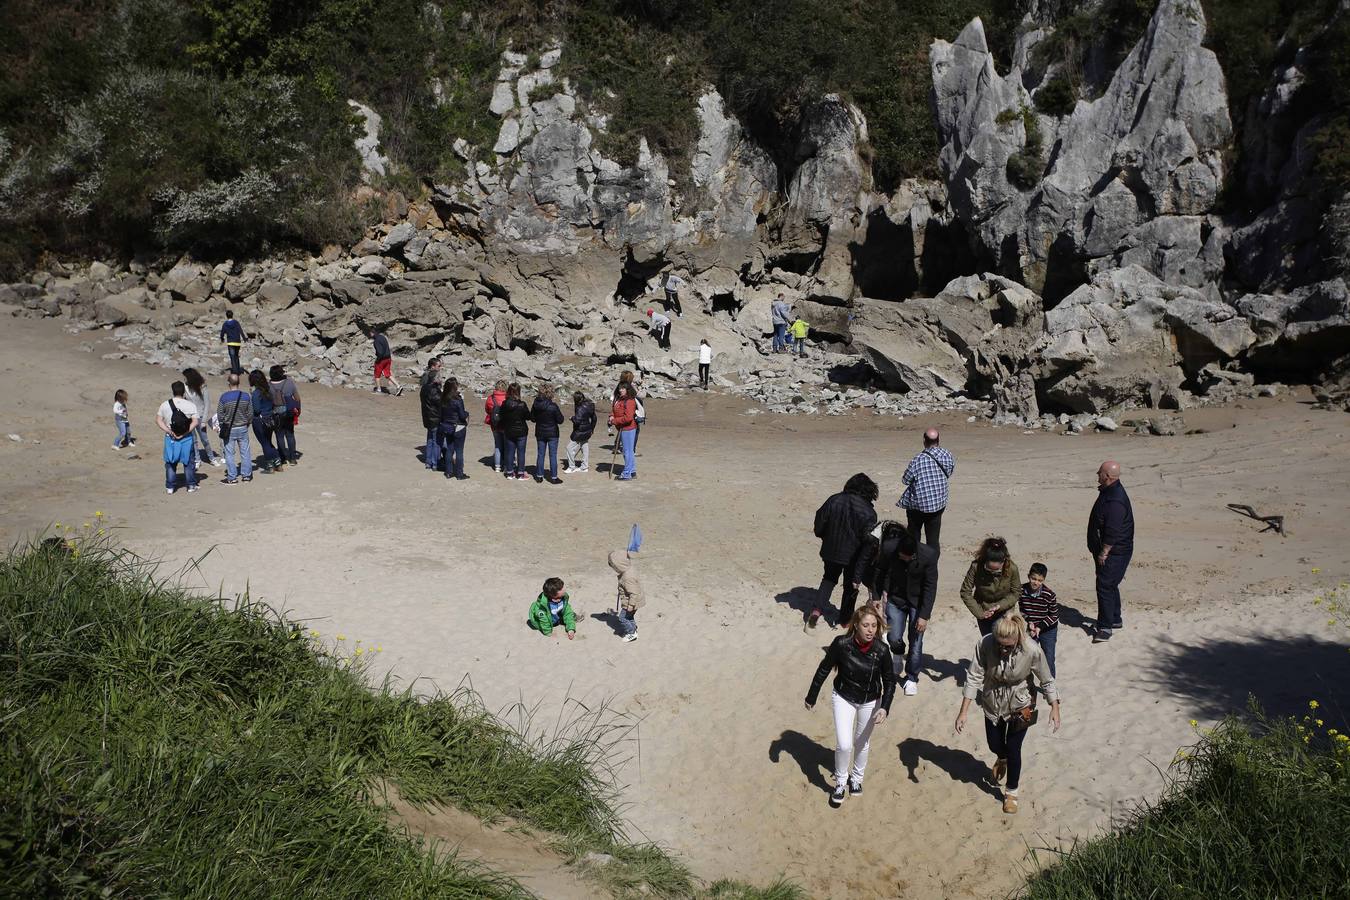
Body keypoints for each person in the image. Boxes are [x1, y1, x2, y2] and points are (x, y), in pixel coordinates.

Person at [954, 612, 1061, 814]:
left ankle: (1011, 791)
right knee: (994, 744)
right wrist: (963, 712)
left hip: (1021, 704)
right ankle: (1000, 757)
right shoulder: (985, 644)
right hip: (992, 702)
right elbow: (974, 676)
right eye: (1000, 644)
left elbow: (1046, 679)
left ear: (1018, 639)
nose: (1003, 649)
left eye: (1008, 646)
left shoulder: (1031, 650)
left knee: (1014, 749)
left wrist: (1055, 707)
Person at [804, 606, 896, 807]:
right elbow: (824, 670)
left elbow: (890, 681)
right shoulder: (841, 644)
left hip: (870, 701)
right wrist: (811, 696)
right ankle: (840, 782)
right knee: (845, 744)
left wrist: (885, 707)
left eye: (874, 625)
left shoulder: (881, 650)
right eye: (866, 625)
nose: (870, 630)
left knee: (861, 743)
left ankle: (856, 780)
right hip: (844, 696)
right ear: (856, 625)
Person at [876, 528, 939, 696]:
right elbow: (880, 571)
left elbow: (930, 587)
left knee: (916, 643)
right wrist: (878, 595)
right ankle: (897, 654)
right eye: (901, 556)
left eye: (908, 557)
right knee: (893, 637)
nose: (904, 559)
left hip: (917, 604)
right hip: (895, 599)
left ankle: (911, 677)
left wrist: (924, 616)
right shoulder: (889, 548)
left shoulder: (929, 555)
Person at [811, 473, 879, 628]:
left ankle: (816, 611)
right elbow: (868, 541)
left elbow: (820, 520)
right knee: (850, 586)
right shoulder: (869, 512)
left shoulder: (834, 499)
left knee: (828, 578)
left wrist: (823, 536)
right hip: (853, 556)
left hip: (831, 550)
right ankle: (845, 621)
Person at [1088, 459, 1134, 643]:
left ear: (1107, 476)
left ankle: (1105, 627)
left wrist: (1103, 552)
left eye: (1099, 472)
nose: (1097, 474)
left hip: (1115, 552)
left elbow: (1113, 531)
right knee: (1110, 584)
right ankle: (1115, 619)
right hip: (1113, 550)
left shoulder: (1115, 500)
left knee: (1105, 586)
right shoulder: (1110, 491)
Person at [896, 428, 955, 555]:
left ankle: (913, 560)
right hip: (938, 503)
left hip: (918, 506)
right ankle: (932, 565)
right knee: (933, 540)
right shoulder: (947, 454)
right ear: (938, 440)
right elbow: (949, 472)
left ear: (924, 441)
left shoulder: (918, 459)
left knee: (913, 537)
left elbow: (905, 480)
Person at [960, 537, 1021, 636]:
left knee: (1003, 641)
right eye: (989, 569)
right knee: (988, 641)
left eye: (996, 570)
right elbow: (965, 592)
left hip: (1004, 611)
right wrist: (980, 613)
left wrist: (999, 606)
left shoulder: (1012, 569)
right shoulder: (976, 566)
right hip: (983, 610)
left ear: (1003, 561)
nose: (992, 572)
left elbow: (1016, 593)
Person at [157, 381, 199, 495]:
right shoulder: (190, 405)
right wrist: (185, 432)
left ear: (173, 390)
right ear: (184, 391)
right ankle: (190, 485)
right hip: (186, 438)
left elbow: (159, 420)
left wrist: (169, 431)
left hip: (171, 438)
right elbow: (195, 421)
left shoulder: (165, 404)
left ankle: (170, 487)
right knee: (188, 462)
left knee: (170, 462)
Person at [1018, 562, 1059, 679]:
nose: (1036, 582)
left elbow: (1054, 615)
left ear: (1043, 580)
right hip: (1031, 627)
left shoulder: (1049, 594)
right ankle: (1027, 683)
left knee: (1048, 657)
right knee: (1027, 656)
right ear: (1028, 576)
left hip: (1048, 629)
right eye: (1033, 578)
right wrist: (1029, 621)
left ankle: (1050, 685)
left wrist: (1040, 626)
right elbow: (1021, 610)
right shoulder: (1021, 590)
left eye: (1040, 580)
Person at [216, 372, 254, 485]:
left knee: (229, 453)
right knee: (245, 452)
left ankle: (232, 477)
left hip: (229, 428)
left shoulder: (224, 397)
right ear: (239, 382)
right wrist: (248, 422)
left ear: (229, 383)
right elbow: (250, 413)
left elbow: (220, 414)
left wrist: (223, 424)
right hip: (243, 427)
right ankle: (246, 475)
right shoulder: (246, 396)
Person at [182, 368, 223, 467]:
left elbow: (207, 404)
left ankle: (211, 458)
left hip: (200, 417)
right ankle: (197, 459)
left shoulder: (202, 387)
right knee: (193, 439)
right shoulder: (185, 387)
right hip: (189, 417)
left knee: (204, 439)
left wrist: (204, 420)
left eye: (186, 377)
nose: (184, 379)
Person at [608, 539, 644, 643]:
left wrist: (631, 605)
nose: (614, 569)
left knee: (622, 618)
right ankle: (633, 628)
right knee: (630, 616)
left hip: (631, 601)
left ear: (619, 565)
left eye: (615, 567)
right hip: (633, 600)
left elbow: (633, 592)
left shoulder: (628, 577)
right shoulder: (628, 570)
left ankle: (631, 633)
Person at [493, 382, 530, 481]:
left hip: (509, 430)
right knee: (521, 453)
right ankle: (521, 473)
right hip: (521, 431)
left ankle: (509, 473)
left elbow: (501, 416)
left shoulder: (505, 404)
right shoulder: (522, 404)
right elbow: (528, 416)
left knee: (509, 452)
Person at [248, 370, 281, 473]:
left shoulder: (256, 393)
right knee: (269, 441)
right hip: (270, 418)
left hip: (260, 421)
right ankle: (278, 463)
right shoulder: (268, 390)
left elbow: (257, 410)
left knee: (265, 443)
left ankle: (270, 465)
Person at [531, 384, 565, 484]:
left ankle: (539, 476)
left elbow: (532, 419)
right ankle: (554, 477)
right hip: (552, 433)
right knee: (553, 455)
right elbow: (560, 420)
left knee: (540, 454)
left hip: (540, 432)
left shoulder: (536, 404)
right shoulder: (553, 406)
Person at [268, 365, 301, 466]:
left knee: (279, 436)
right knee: (290, 435)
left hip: (276, 413)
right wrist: (298, 410)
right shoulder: (289, 382)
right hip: (289, 412)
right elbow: (297, 398)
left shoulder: (268, 385)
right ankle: (292, 458)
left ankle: (282, 458)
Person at [438, 377, 469, 480]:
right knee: (459, 451)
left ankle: (448, 472)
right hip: (458, 426)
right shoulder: (457, 400)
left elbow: (441, 415)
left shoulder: (443, 398)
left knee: (450, 450)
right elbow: (462, 415)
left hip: (447, 426)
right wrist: (467, 413)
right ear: (455, 387)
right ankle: (459, 474)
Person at [610, 383, 638, 481]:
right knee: (628, 451)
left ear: (628, 389)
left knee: (627, 452)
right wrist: (611, 416)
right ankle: (632, 471)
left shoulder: (629, 400)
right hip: (622, 428)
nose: (621, 390)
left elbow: (628, 418)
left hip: (628, 428)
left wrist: (614, 421)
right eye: (620, 388)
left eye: (623, 388)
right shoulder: (619, 399)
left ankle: (627, 474)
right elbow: (614, 409)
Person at [419, 358, 444, 471]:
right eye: (438, 366)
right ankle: (434, 463)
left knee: (430, 440)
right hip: (434, 417)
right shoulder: (433, 389)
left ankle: (429, 462)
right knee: (435, 441)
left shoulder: (424, 388)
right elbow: (439, 402)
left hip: (427, 416)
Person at [564, 391, 596, 474]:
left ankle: (571, 467)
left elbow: (577, 421)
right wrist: (592, 428)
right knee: (584, 446)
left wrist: (572, 418)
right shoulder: (590, 405)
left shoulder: (579, 407)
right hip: (587, 429)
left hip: (580, 431)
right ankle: (584, 466)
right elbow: (594, 418)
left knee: (569, 447)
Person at [484, 380, 508, 473]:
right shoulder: (507, 398)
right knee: (507, 446)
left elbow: (487, 410)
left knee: (497, 445)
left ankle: (497, 466)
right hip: (505, 424)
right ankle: (507, 466)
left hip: (494, 424)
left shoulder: (490, 398)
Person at [371, 330, 403, 395]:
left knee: (377, 374)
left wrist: (377, 360)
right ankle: (398, 386)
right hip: (388, 358)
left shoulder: (376, 341)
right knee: (387, 374)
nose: (370, 335)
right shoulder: (383, 337)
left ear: (373, 333)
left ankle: (379, 389)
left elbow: (380, 352)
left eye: (370, 334)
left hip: (382, 359)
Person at [220, 310, 248, 375]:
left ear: (226, 316)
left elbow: (222, 332)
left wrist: (222, 338)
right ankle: (238, 370)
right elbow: (240, 331)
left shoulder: (225, 324)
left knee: (232, 356)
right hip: (237, 342)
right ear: (232, 315)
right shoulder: (236, 322)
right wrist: (244, 339)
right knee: (236, 355)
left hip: (230, 342)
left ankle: (235, 372)